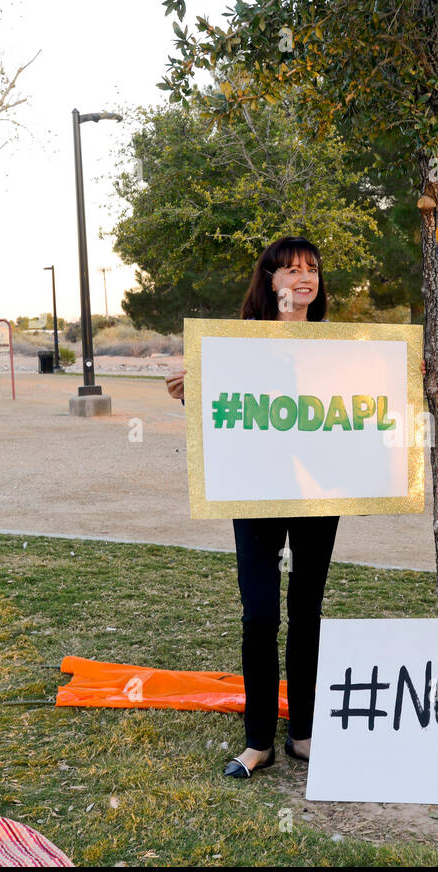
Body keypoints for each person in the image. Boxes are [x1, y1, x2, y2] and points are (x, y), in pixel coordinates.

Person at [165, 237, 338, 779]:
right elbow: (224, 410)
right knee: (260, 615)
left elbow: (365, 407)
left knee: (306, 612)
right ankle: (258, 739)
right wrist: (188, 391)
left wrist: (403, 376)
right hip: (255, 488)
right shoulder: (234, 343)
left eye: (311, 269)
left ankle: (303, 733)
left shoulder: (344, 345)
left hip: (318, 490)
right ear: (269, 280)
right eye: (290, 269)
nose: (303, 278)